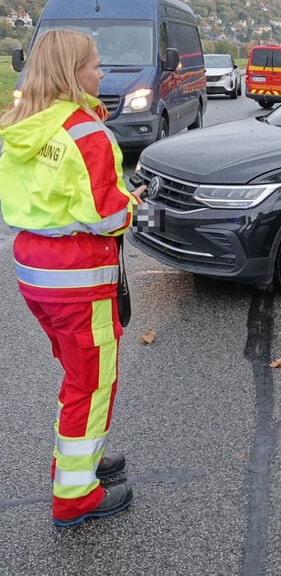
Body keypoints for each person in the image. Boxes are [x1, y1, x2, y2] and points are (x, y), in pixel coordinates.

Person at [0, 29, 145, 527]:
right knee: (92, 383)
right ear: (72, 72)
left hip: (35, 270)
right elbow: (108, 217)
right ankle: (75, 495)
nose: (101, 73)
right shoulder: (85, 133)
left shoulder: (23, 124)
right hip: (79, 274)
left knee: (76, 374)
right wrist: (131, 203)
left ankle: (78, 460)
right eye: (95, 65)